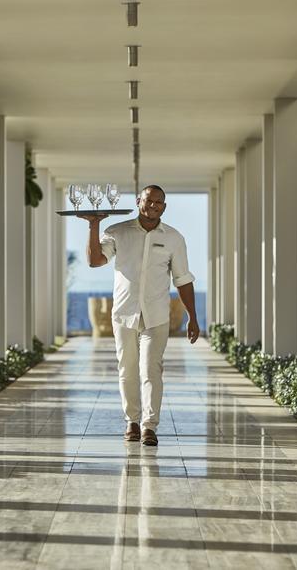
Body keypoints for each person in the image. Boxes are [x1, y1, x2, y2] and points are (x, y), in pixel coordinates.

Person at [82, 185, 199, 447]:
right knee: (127, 370)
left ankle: (149, 426)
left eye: (159, 202)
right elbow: (95, 261)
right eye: (149, 200)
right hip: (123, 314)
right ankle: (131, 422)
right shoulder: (118, 232)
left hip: (157, 316)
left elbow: (183, 279)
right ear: (138, 201)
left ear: (164, 207)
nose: (154, 205)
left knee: (151, 370)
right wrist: (92, 226)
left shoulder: (174, 238)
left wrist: (193, 316)